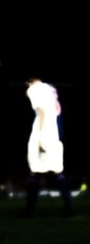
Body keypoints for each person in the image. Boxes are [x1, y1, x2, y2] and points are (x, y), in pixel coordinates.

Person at [24, 77, 74, 217]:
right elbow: (56, 112)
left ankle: (30, 211)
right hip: (54, 136)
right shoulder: (52, 92)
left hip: (44, 136)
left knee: (35, 173)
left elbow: (41, 113)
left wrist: (40, 139)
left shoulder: (36, 90)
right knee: (58, 173)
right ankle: (69, 209)